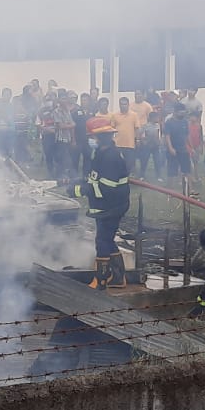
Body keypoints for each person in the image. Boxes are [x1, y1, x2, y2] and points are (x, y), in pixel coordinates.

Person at [71, 118, 131, 289]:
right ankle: (119, 278)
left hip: (111, 207)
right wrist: (78, 182)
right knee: (108, 240)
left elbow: (107, 188)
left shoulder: (111, 157)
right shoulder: (100, 153)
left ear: (102, 138)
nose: (92, 140)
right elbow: (95, 177)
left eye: (93, 137)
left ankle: (101, 280)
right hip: (105, 206)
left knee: (102, 241)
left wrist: (81, 190)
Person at [110, 96, 141, 173]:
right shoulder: (114, 115)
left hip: (130, 144)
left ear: (128, 105)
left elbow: (137, 128)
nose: (123, 106)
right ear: (119, 105)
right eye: (121, 104)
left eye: (125, 104)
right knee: (117, 164)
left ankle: (127, 180)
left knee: (129, 164)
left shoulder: (134, 115)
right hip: (118, 144)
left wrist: (137, 140)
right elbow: (111, 129)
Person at [163, 109, 192, 188]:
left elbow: (187, 135)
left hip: (183, 150)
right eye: (180, 111)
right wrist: (170, 148)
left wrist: (191, 147)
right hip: (173, 150)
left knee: (187, 171)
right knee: (172, 172)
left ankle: (190, 191)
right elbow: (167, 136)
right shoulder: (169, 122)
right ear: (175, 112)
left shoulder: (185, 122)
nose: (182, 113)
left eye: (183, 112)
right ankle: (170, 191)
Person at [139, 110, 164, 182]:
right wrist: (143, 141)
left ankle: (159, 176)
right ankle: (142, 175)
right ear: (151, 118)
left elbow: (159, 134)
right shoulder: (145, 126)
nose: (157, 119)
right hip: (147, 146)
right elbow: (140, 133)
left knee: (157, 161)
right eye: (156, 117)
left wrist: (159, 141)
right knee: (144, 160)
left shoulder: (158, 125)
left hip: (155, 146)